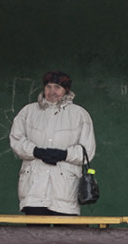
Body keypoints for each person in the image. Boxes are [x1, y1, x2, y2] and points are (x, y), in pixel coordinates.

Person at [9, 70, 96, 216]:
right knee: (35, 237)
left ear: (66, 90)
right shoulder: (28, 111)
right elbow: (16, 140)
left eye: (57, 87)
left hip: (65, 190)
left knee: (65, 238)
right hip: (33, 189)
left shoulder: (80, 114)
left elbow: (88, 151)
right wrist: (35, 151)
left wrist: (64, 154)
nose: (52, 91)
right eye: (48, 87)